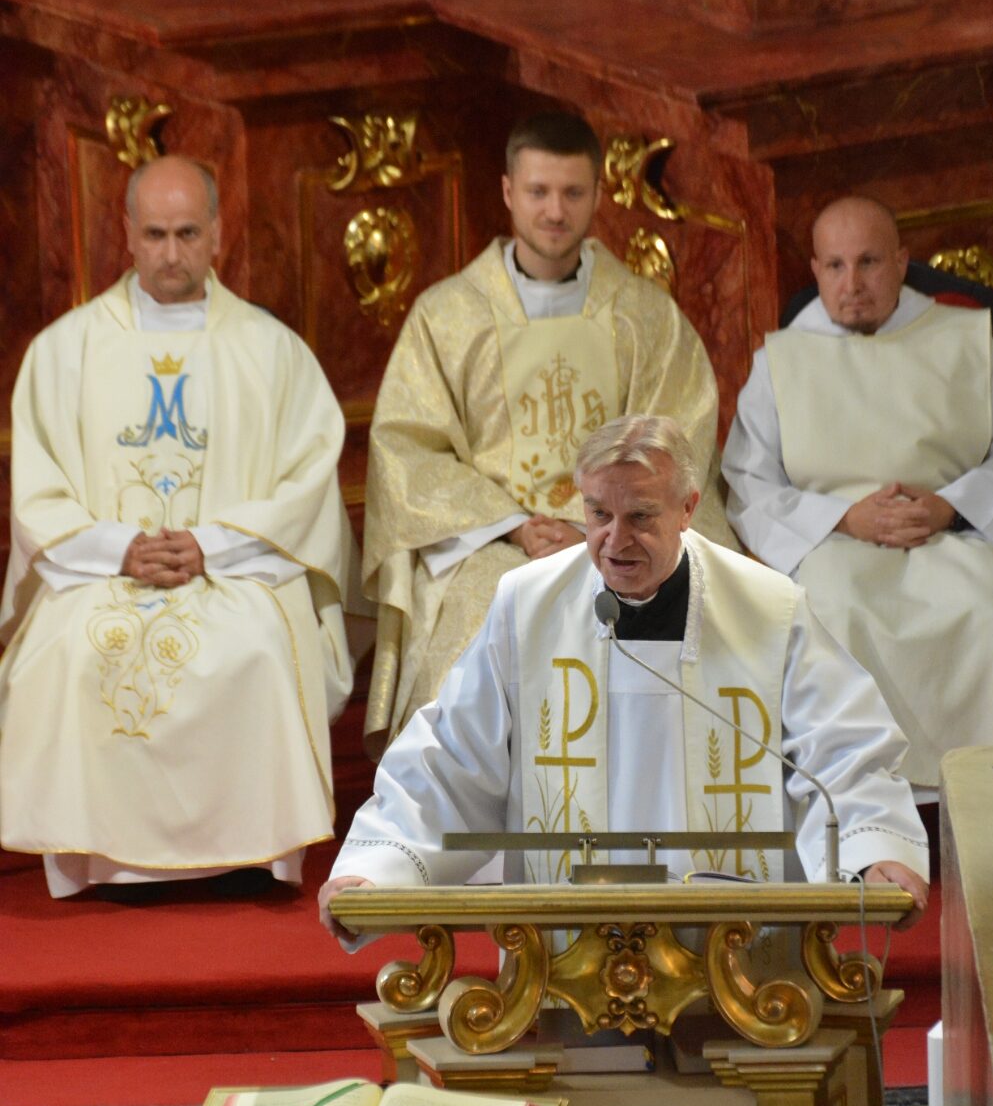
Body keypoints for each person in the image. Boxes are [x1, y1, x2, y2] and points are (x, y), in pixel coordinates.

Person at [320, 415, 928, 939]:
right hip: (569, 948)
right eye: (598, 514)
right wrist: (376, 868)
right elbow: (452, 755)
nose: (615, 540)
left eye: (640, 515)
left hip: (738, 952)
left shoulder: (767, 609)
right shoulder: (527, 604)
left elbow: (839, 748)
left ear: (688, 508)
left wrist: (873, 849)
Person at [0, 154, 364, 897]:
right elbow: (38, 492)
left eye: (188, 234)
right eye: (156, 234)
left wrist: (212, 545)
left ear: (219, 234)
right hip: (102, 570)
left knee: (258, 646)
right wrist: (119, 549)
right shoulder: (65, 351)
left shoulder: (271, 350)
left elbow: (307, 482)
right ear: (127, 233)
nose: (172, 254)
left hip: (235, 569)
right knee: (72, 649)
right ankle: (91, 852)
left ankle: (255, 850)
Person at [361, 110, 730, 754]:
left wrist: (596, 526)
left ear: (598, 194)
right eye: (538, 191)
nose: (555, 211)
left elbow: (679, 440)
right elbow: (407, 451)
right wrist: (515, 525)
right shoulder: (448, 316)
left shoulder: (645, 316)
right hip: (492, 542)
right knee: (479, 615)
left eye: (572, 192)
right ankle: (478, 813)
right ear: (508, 191)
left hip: (621, 538)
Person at [721, 195, 993, 792]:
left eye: (868, 262)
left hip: (947, 541)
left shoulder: (965, 341)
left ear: (901, 261)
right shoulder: (781, 362)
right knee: (831, 612)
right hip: (833, 548)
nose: (852, 284)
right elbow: (747, 479)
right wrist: (843, 517)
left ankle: (988, 801)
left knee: (989, 607)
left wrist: (950, 506)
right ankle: (856, 805)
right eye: (835, 266)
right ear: (816, 270)